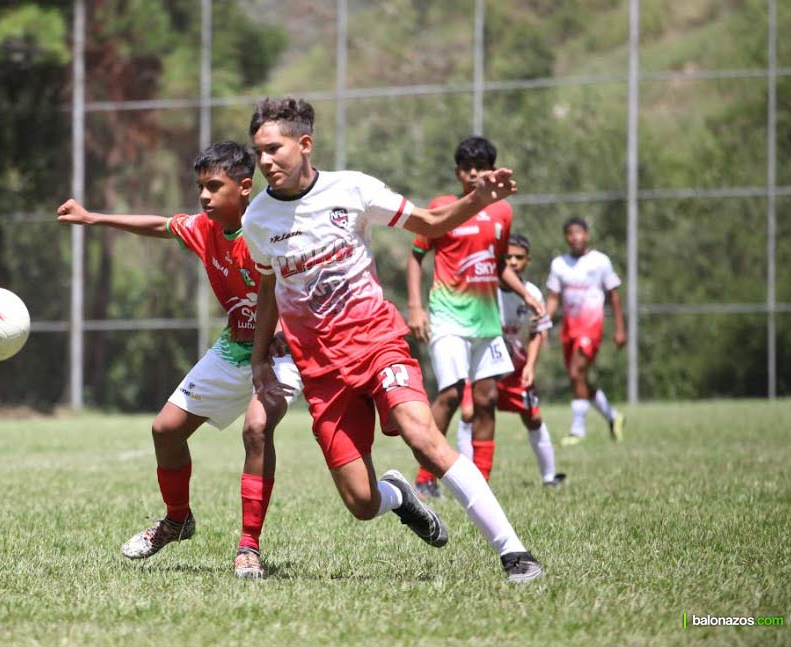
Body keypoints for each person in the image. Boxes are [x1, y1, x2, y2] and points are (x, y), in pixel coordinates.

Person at [241, 97, 544, 582]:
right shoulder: (257, 220)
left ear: (304, 144)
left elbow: (426, 222)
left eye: (274, 149)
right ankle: (401, 496)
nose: (265, 162)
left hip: (377, 341)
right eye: (258, 152)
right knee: (361, 503)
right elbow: (267, 287)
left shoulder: (352, 189)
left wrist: (477, 201)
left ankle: (514, 553)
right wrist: (259, 359)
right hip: (321, 370)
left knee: (422, 435)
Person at [56, 141, 301, 579]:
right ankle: (177, 520)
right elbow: (159, 224)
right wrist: (93, 218)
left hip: (284, 350)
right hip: (235, 347)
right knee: (165, 430)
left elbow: (298, 283)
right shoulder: (205, 229)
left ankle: (248, 546)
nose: (204, 196)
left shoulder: (270, 228)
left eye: (214, 187)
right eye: (200, 188)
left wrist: (284, 331)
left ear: (245, 187)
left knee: (257, 429)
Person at [405, 136, 544, 493]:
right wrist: (416, 308)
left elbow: (498, 266)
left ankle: (480, 484)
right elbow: (416, 257)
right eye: (467, 168)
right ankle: (424, 480)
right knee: (451, 396)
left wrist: (526, 293)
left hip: (486, 321)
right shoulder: (442, 207)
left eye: (480, 168)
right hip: (448, 317)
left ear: (491, 171)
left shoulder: (502, 212)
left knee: (487, 399)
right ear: (457, 172)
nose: (473, 174)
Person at [454, 235, 565, 487]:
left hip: (515, 369)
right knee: (469, 414)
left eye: (519, 257)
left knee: (533, 417)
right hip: (483, 366)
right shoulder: (486, 289)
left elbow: (538, 333)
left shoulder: (532, 294)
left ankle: (550, 477)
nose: (513, 262)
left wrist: (530, 366)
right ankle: (469, 480)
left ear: (528, 261)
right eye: (508, 257)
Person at [545, 217, 626, 445]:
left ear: (587, 235)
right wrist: (543, 324)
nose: (575, 237)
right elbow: (553, 298)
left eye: (579, 233)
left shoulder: (600, 262)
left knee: (575, 373)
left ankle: (577, 430)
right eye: (570, 233)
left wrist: (620, 328)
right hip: (569, 328)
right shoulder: (559, 264)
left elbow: (614, 296)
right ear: (566, 238)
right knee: (578, 379)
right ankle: (613, 416)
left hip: (591, 326)